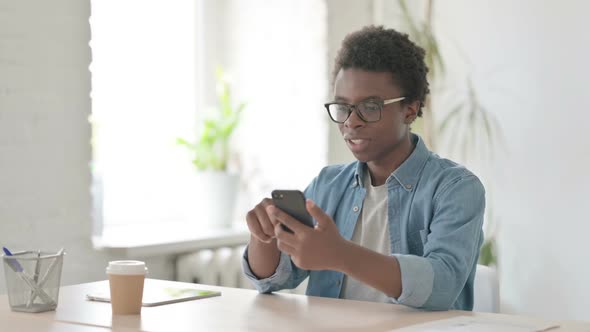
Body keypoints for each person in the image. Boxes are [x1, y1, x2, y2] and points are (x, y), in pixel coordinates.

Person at [241, 25, 485, 311]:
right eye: (343, 107)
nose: (351, 122)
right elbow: (272, 280)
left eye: (370, 107)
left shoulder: (455, 188)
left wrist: (340, 255)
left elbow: (442, 287)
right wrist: (263, 237)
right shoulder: (328, 184)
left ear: (409, 109)